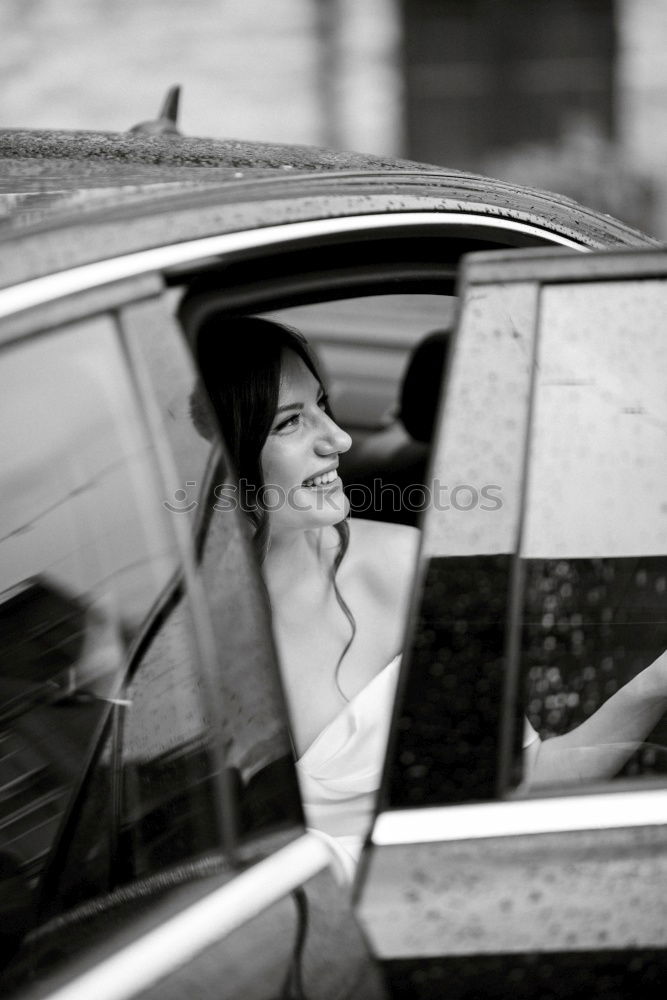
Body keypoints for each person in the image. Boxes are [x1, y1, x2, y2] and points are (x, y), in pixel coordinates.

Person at [192, 315, 667, 878]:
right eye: (291, 423)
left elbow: (526, 782)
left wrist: (656, 685)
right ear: (226, 461)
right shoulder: (189, 642)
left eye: (323, 405)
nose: (339, 439)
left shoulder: (405, 566)